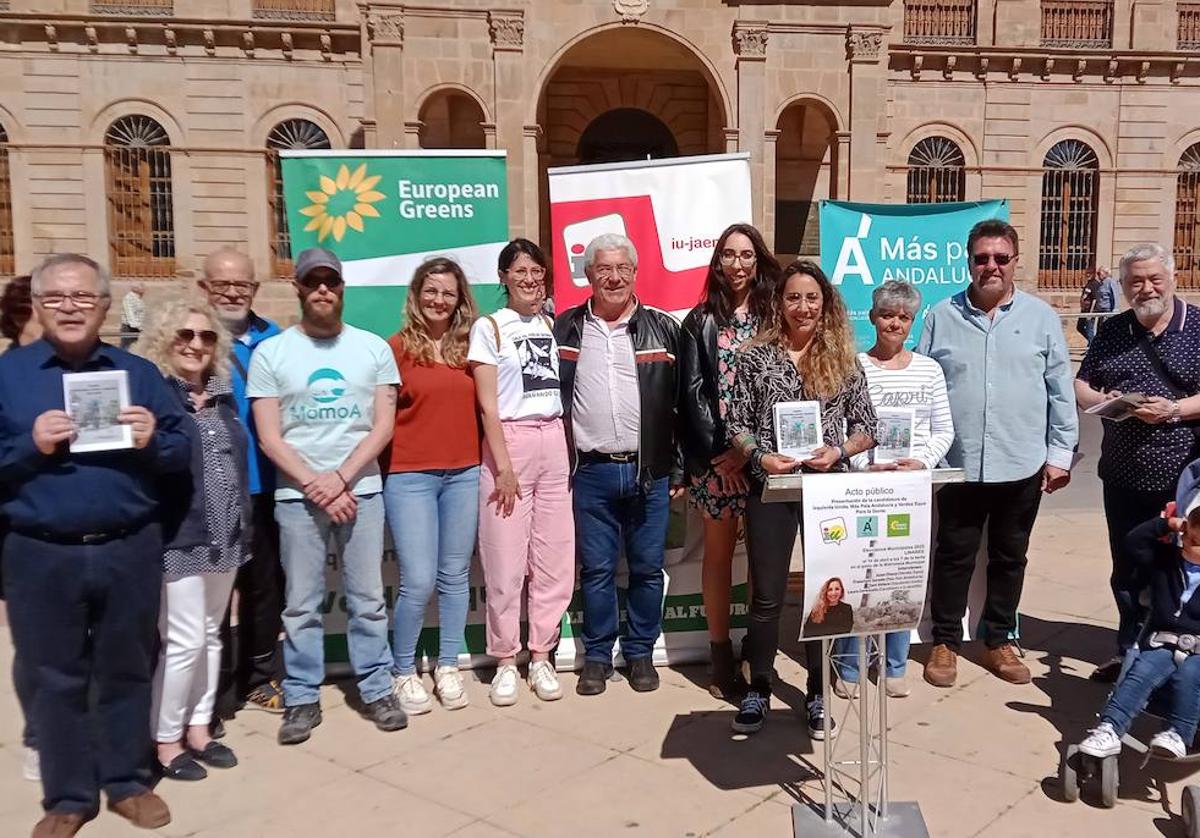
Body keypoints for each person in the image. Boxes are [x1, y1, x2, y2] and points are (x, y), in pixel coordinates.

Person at [0, 253, 192, 837]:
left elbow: (183, 454)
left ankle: (128, 782)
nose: (69, 307)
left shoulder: (138, 374)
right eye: (55, 297)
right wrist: (30, 445)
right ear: (37, 305)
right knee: (52, 676)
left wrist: (153, 440)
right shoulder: (8, 377)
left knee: (127, 668)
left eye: (82, 297)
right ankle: (68, 796)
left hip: (126, 546)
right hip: (40, 552)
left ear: (105, 306)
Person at [247, 247, 407, 745]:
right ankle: (301, 697)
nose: (322, 289)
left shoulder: (372, 349)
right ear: (297, 287)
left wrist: (340, 477)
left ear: (342, 288)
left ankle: (377, 688)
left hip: (360, 490)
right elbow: (270, 437)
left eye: (331, 282)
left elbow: (382, 427)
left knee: (366, 600)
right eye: (312, 281)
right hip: (297, 498)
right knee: (300, 604)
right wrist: (317, 483)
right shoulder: (271, 353)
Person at [917, 219, 1078, 688]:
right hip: (958, 463)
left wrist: (1060, 454)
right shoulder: (940, 315)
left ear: (1014, 261)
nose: (991, 266)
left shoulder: (1042, 318)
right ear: (968, 262)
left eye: (1000, 258)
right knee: (953, 555)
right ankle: (945, 642)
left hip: (1021, 460)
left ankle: (1000, 639)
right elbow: (924, 385)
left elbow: (1059, 392)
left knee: (1010, 557)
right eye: (982, 258)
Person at [726, 259, 877, 736]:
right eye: (794, 297)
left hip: (828, 491)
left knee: (823, 596)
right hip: (772, 488)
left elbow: (867, 427)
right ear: (779, 302)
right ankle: (760, 687)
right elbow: (736, 424)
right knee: (768, 596)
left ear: (824, 303)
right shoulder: (756, 356)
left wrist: (839, 450)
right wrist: (758, 457)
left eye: (812, 297)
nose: (803, 306)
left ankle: (816, 691)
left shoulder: (842, 357)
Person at [554, 232, 684, 696]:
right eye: (603, 269)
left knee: (648, 567)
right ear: (588, 275)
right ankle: (596, 656)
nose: (614, 277)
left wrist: (680, 469)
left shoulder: (664, 329)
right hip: (591, 473)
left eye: (623, 269)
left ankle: (640, 654)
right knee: (597, 570)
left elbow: (682, 404)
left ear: (635, 273)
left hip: (649, 471)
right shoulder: (565, 328)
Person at [1075, 244, 1200, 682]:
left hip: (1184, 479)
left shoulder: (1198, 326)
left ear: (1172, 279)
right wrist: (1103, 401)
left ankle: (1176, 662)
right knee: (1127, 568)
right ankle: (1129, 652)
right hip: (1124, 475)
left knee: (1181, 570)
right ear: (1123, 287)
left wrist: (1174, 410)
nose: (1145, 288)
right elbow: (1083, 383)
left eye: (1154, 279)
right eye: (1135, 282)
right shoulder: (1113, 331)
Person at [137, 300, 249, 781]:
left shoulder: (223, 396)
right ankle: (166, 740)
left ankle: (199, 727)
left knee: (209, 634)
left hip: (225, 535)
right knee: (181, 640)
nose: (196, 344)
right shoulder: (155, 396)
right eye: (185, 334)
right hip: (179, 536)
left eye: (206, 337)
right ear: (166, 338)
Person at [835, 280, 955, 699]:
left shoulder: (929, 369)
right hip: (864, 488)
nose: (895, 323)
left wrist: (921, 461)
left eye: (903, 317)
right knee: (858, 576)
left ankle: (894, 663)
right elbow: (841, 429)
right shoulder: (853, 366)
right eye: (887, 315)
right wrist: (863, 462)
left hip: (910, 488)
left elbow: (943, 430)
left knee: (900, 575)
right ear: (873, 318)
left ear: (912, 321)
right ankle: (849, 665)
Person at [679, 223, 780, 701]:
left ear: (757, 261)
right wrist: (720, 456)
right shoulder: (699, 321)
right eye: (728, 255)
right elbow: (693, 394)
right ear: (717, 262)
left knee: (765, 563)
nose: (737, 264)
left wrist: (754, 452)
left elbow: (786, 392)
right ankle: (720, 654)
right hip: (718, 461)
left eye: (746, 255)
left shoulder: (776, 318)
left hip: (765, 460)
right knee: (718, 558)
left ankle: (758, 656)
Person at [470, 239, 573, 706]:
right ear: (505, 278)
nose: (531, 279)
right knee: (506, 559)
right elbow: (488, 407)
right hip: (509, 441)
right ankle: (506, 660)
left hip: (553, 439)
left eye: (537, 271)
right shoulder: (489, 328)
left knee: (554, 558)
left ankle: (542, 654)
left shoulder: (552, 324)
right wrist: (504, 467)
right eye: (521, 272)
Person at [385, 257, 481, 716]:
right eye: (431, 291)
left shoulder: (472, 349)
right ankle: (402, 669)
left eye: (448, 292)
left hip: (464, 473)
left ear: (460, 299)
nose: (438, 300)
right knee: (418, 580)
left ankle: (447, 665)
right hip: (410, 477)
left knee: (455, 577)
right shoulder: (398, 348)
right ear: (416, 295)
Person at [198, 247, 285, 718]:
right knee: (208, 597)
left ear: (254, 288)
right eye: (222, 284)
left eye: (242, 285)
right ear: (203, 287)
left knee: (263, 587)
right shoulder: (192, 340)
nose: (232, 292)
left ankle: (258, 675)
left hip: (266, 483)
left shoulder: (274, 337)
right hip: (210, 490)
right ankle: (209, 689)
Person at [1078, 486, 1200, 761]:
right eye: (1192, 541)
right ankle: (1109, 728)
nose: (1196, 548)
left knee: (1192, 675)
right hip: (1162, 641)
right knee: (1140, 671)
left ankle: (1179, 733)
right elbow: (1133, 542)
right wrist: (1167, 523)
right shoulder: (1166, 563)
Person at [0, 274, 43, 783]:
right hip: (23, 529)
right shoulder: (8, 374)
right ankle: (39, 736)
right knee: (35, 645)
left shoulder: (91, 371)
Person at [1076, 266, 1118, 345]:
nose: (1098, 276)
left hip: (1100, 310)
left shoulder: (1105, 283)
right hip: (1092, 309)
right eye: (1086, 274)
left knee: (1094, 329)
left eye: (1099, 273)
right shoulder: (1100, 283)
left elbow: (1113, 296)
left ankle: (1093, 344)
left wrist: (1115, 310)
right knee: (1085, 328)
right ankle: (1093, 344)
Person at [120, 281, 146, 349]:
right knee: (126, 348)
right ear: (137, 289)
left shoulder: (138, 298)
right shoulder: (128, 298)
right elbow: (130, 314)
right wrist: (138, 327)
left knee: (135, 348)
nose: (145, 289)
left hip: (137, 327)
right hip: (129, 327)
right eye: (143, 287)